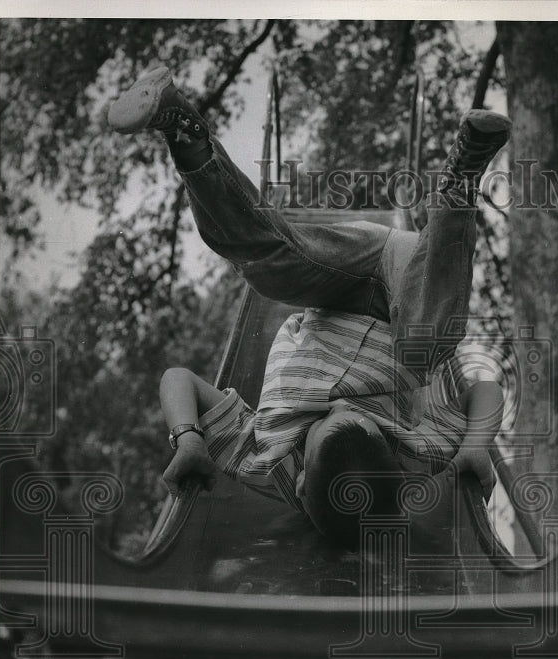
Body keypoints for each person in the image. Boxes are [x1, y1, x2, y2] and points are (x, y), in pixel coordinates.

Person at [108, 66, 509, 549]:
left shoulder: (264, 459)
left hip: (331, 289)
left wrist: (189, 437)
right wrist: (475, 446)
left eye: (331, 420)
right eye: (365, 421)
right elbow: (484, 388)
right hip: (402, 290)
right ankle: (459, 186)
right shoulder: (414, 457)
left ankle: (183, 130)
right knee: (428, 342)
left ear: (299, 483)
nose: (342, 402)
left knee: (264, 262)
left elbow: (179, 379)